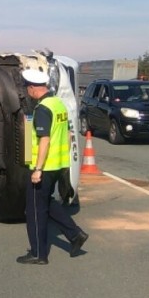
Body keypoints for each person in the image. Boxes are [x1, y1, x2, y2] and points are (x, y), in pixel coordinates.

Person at [17, 69, 89, 265]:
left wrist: (37, 169)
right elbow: (66, 134)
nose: (27, 92)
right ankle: (75, 235)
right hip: (57, 165)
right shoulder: (58, 104)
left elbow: (45, 140)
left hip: (45, 167)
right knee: (46, 203)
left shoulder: (42, 109)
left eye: (27, 88)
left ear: (33, 88)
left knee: (34, 211)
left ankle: (38, 253)